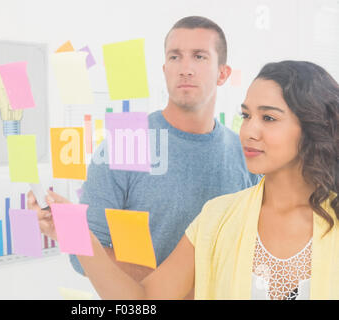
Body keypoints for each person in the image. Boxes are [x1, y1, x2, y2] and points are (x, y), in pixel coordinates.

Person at [39, 60, 339, 300]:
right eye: (246, 116)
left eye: (269, 118)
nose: (249, 131)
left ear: (313, 127)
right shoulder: (216, 218)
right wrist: (80, 237)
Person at [29, 16, 260, 292]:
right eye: (175, 57)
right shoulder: (123, 145)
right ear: (165, 69)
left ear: (223, 73)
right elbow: (85, 257)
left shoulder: (246, 155)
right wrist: (172, 285)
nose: (185, 68)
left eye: (199, 56)